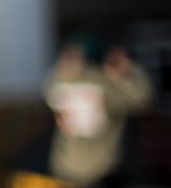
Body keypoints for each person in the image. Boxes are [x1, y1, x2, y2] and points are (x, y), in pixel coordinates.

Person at [44, 42, 153, 186]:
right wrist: (127, 71)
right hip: (83, 167)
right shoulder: (106, 82)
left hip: (86, 168)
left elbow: (141, 99)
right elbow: (142, 98)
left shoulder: (63, 80)